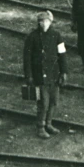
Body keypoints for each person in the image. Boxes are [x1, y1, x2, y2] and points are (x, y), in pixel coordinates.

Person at [23, 10, 68, 139]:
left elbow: (62, 55)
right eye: (41, 21)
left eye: (46, 21)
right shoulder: (32, 37)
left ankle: (49, 123)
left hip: (54, 74)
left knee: (53, 101)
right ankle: (40, 127)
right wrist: (29, 76)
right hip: (39, 75)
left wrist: (64, 72)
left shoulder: (56, 36)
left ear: (50, 22)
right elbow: (27, 58)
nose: (43, 24)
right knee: (43, 103)